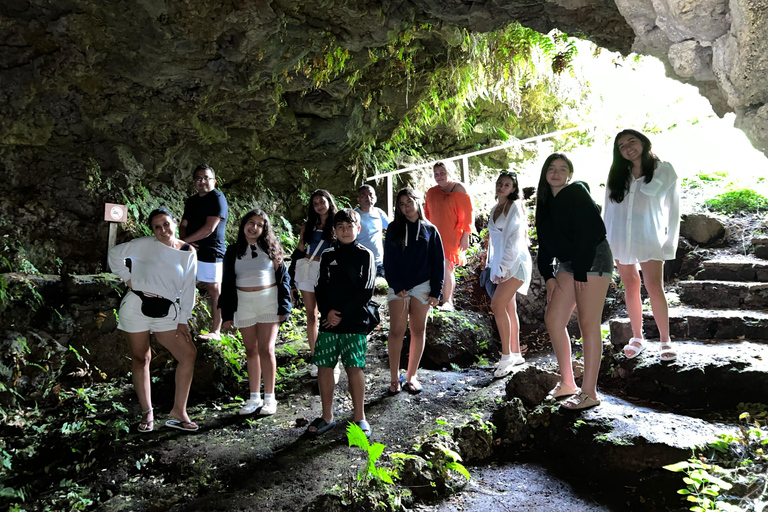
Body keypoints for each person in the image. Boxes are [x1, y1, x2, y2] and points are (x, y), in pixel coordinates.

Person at [108, 207, 199, 433]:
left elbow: (189, 288)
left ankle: (179, 411)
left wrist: (184, 319)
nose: (162, 230)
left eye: (166, 224)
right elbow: (114, 254)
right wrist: (128, 278)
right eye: (157, 227)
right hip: (136, 306)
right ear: (152, 230)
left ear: (175, 224)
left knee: (188, 354)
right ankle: (147, 412)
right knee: (141, 358)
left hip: (168, 311)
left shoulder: (188, 252)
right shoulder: (144, 244)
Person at [535, 153, 612, 410]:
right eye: (551, 168)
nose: (556, 173)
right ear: (545, 173)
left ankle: (589, 392)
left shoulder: (577, 192)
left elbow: (591, 232)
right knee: (554, 319)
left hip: (592, 259)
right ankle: (568, 382)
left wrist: (580, 271)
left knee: (588, 323)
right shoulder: (545, 202)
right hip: (569, 264)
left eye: (562, 169)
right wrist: (547, 275)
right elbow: (544, 243)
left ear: (570, 174)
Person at [604, 129, 680, 362]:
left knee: (654, 286)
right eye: (621, 145)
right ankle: (637, 337)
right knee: (631, 284)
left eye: (631, 141)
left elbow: (674, 210)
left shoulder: (664, 170)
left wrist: (669, 243)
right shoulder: (617, 173)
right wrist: (604, 241)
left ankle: (665, 340)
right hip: (619, 237)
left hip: (649, 236)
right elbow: (608, 208)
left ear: (643, 142)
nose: (627, 147)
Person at [306, 209, 377, 437]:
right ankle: (327, 416)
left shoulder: (366, 255)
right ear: (334, 231)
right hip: (329, 322)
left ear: (358, 228)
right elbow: (319, 286)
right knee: (325, 366)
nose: (345, 231)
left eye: (350, 226)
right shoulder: (327, 255)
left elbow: (367, 290)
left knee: (353, 367)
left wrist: (341, 314)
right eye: (340, 227)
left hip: (354, 321)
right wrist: (327, 313)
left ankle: (360, 417)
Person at [218, 210, 292, 416]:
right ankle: (254, 398)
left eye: (260, 225)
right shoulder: (233, 251)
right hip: (244, 303)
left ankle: (270, 398)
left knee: (266, 349)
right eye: (251, 222)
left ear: (264, 229)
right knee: (251, 350)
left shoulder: (271, 249)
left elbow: (284, 279)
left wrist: (284, 307)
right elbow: (226, 282)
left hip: (268, 300)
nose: (254, 227)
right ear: (244, 224)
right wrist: (227, 314)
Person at [384, 188, 444, 395]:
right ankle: (394, 378)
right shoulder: (394, 228)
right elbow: (388, 260)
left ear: (417, 202)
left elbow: (438, 263)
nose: (406, 207)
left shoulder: (430, 230)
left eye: (409, 202)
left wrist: (437, 291)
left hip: (422, 285)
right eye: (401, 204)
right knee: (396, 331)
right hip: (398, 287)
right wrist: (395, 283)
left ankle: (411, 376)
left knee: (418, 330)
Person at [486, 171, 532, 378]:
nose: (502, 187)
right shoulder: (495, 208)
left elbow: (514, 241)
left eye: (507, 185)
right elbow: (494, 243)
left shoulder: (514, 207)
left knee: (497, 305)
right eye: (500, 183)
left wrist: (503, 267)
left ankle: (506, 357)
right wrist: (493, 267)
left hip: (516, 264)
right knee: (509, 307)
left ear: (513, 189)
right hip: (501, 265)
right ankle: (516, 353)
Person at [180, 164, 228, 341]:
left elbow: (209, 229)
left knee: (214, 289)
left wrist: (184, 242)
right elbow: (183, 225)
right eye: (198, 179)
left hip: (211, 251)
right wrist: (186, 243)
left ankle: (216, 331)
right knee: (185, 284)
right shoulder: (192, 201)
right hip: (190, 250)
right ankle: (182, 322)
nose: (202, 182)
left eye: (206, 178)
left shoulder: (217, 199)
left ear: (214, 181)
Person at [295, 189, 338, 377]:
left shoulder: (337, 223)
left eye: (322, 201)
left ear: (329, 201)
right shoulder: (308, 225)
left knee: (328, 313)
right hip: (307, 270)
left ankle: (332, 357)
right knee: (311, 314)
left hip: (327, 272)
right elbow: (300, 248)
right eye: (315, 203)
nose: (319, 206)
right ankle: (316, 356)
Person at [424, 160, 473, 310]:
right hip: (434, 235)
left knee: (446, 265)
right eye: (436, 174)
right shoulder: (432, 192)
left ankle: (448, 301)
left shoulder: (459, 188)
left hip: (452, 234)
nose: (439, 177)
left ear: (449, 172)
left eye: (442, 173)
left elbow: (468, 214)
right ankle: (434, 298)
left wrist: (465, 236)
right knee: (434, 266)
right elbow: (426, 215)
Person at [354, 184, 389, 277]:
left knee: (380, 289)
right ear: (358, 199)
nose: (368, 198)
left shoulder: (379, 212)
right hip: (360, 263)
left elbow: (391, 229)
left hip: (378, 263)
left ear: (375, 198)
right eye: (363, 195)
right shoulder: (354, 215)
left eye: (371, 194)